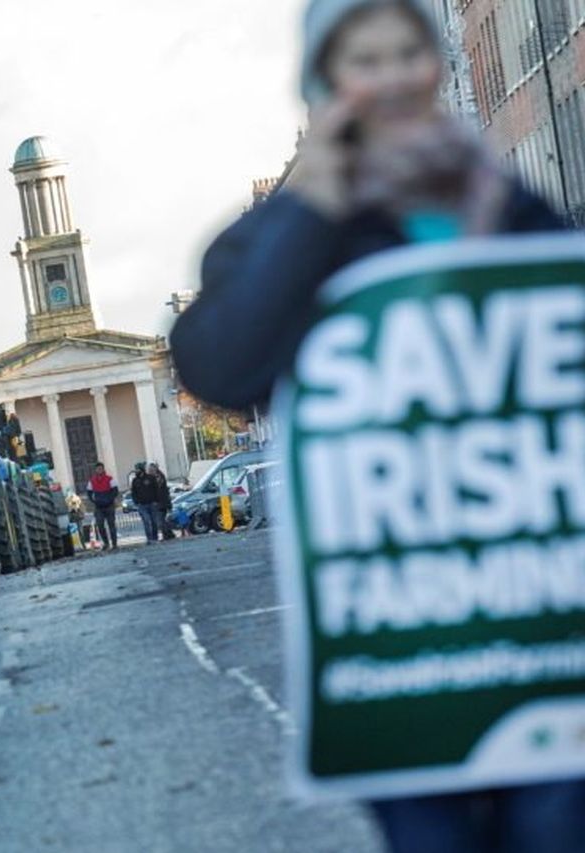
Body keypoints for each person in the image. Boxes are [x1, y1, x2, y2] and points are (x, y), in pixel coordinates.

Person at [171, 1, 581, 850]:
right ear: (327, 80)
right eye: (365, 59)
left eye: (407, 53)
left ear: (433, 67)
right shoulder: (276, 234)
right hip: (396, 626)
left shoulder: (507, 203)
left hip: (530, 600)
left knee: (556, 824)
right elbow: (222, 365)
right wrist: (314, 203)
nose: (392, 76)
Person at [86, 462, 119, 551]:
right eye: (98, 469)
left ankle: (114, 544)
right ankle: (106, 543)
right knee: (100, 525)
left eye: (101, 468)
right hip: (99, 507)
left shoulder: (110, 479)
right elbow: (89, 493)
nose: (99, 470)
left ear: (103, 469)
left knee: (111, 525)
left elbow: (115, 491)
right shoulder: (92, 481)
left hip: (109, 506)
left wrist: (110, 499)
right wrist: (94, 500)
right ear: (96, 470)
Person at [130, 463, 163, 544]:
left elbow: (156, 490)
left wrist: (156, 501)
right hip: (142, 505)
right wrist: (136, 502)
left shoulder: (150, 478)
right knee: (146, 521)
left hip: (152, 503)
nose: (136, 471)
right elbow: (133, 492)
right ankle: (149, 538)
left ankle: (155, 538)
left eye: (138, 469)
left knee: (153, 521)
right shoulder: (135, 481)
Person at [151, 464, 176, 541]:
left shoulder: (159, 476)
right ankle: (169, 533)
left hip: (161, 502)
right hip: (161, 502)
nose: (150, 471)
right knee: (162, 520)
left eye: (151, 470)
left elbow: (158, 487)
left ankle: (167, 534)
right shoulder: (158, 476)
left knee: (160, 520)